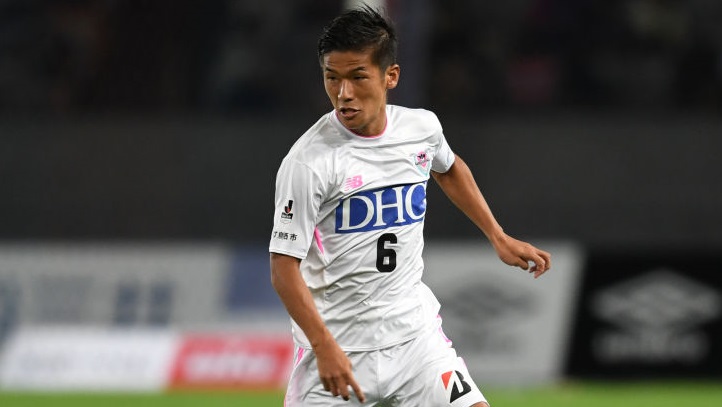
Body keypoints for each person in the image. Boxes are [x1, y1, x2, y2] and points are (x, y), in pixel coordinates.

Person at [269, 5, 551, 406]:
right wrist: (323, 345)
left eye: (357, 77)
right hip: (336, 350)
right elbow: (283, 267)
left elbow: (449, 168)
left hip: (415, 343)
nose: (344, 93)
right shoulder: (308, 162)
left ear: (391, 76)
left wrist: (497, 235)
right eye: (332, 78)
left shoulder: (421, 129)